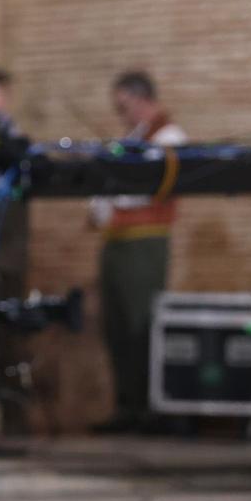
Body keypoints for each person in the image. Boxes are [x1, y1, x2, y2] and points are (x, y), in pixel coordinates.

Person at [89, 70, 188, 435]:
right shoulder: (131, 137)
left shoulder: (168, 137)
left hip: (144, 242)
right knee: (115, 327)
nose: (122, 114)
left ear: (143, 99)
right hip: (115, 241)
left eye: (125, 106)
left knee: (141, 324)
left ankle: (152, 409)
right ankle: (127, 407)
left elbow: (146, 188)